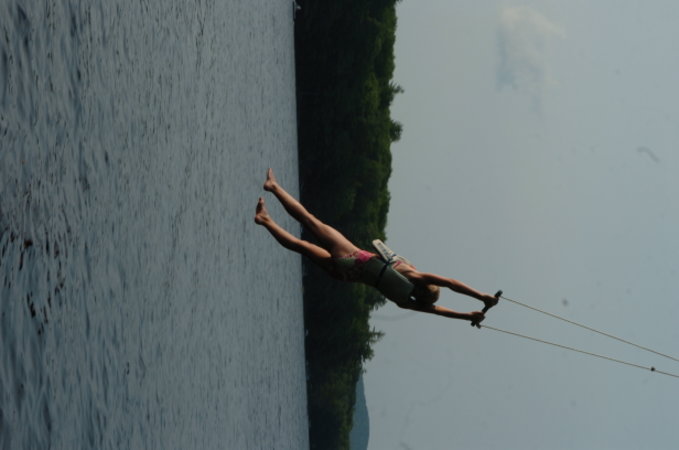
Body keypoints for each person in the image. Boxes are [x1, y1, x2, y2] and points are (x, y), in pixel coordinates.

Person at [254, 169, 498, 325]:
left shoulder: (414, 276)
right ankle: (265, 221)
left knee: (310, 221)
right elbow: (437, 311)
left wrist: (482, 296)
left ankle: (273, 187)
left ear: (426, 285)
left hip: (354, 257)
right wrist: (467, 316)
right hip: (346, 275)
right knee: (301, 246)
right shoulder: (406, 301)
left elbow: (452, 283)